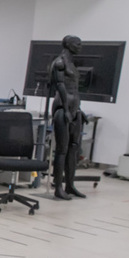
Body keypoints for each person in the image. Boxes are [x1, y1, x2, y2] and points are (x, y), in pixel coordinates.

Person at [48, 35, 86, 200]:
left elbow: (74, 89)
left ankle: (70, 185)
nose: (80, 46)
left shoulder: (72, 64)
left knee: (73, 148)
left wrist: (77, 110)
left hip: (74, 108)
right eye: (78, 44)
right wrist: (66, 109)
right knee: (61, 150)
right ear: (68, 45)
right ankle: (58, 187)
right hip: (63, 109)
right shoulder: (60, 62)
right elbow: (60, 86)